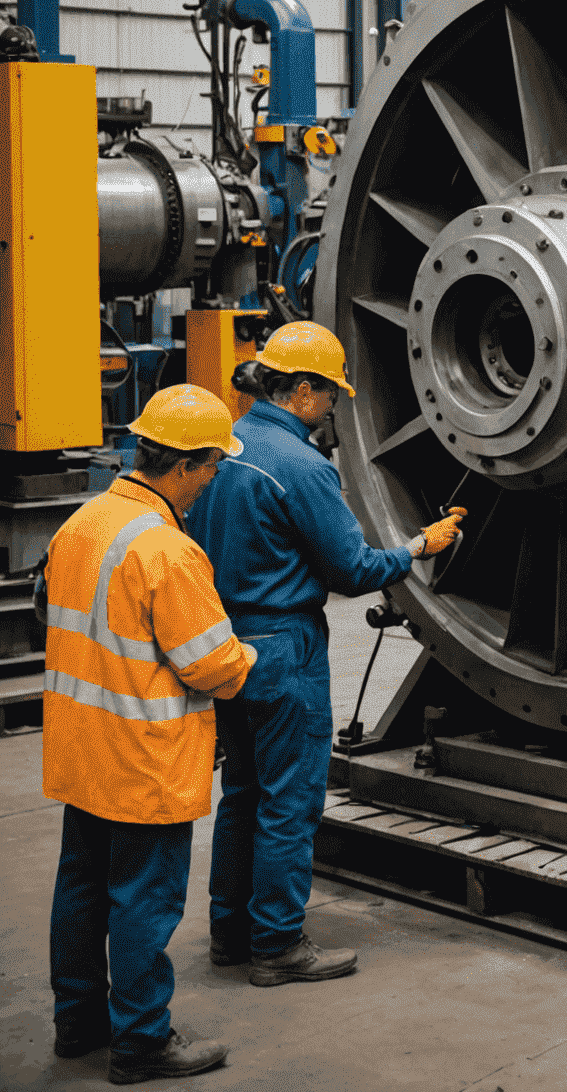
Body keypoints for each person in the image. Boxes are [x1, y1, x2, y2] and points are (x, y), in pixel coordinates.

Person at [186, 320, 467, 986]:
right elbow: (352, 569)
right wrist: (420, 547)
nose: (337, 405)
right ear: (305, 390)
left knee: (244, 793)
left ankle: (231, 931)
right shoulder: (303, 467)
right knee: (290, 803)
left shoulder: (222, 449)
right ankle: (279, 945)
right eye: (332, 393)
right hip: (285, 652)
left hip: (226, 646)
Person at [38, 385, 255, 1084]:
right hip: (144, 759)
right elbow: (212, 663)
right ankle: (142, 1043)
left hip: (83, 746)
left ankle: (78, 1023)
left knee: (81, 887)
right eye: (214, 465)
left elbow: (57, 612)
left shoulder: (83, 522)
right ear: (186, 464)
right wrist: (250, 657)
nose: (215, 479)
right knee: (143, 900)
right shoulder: (167, 550)